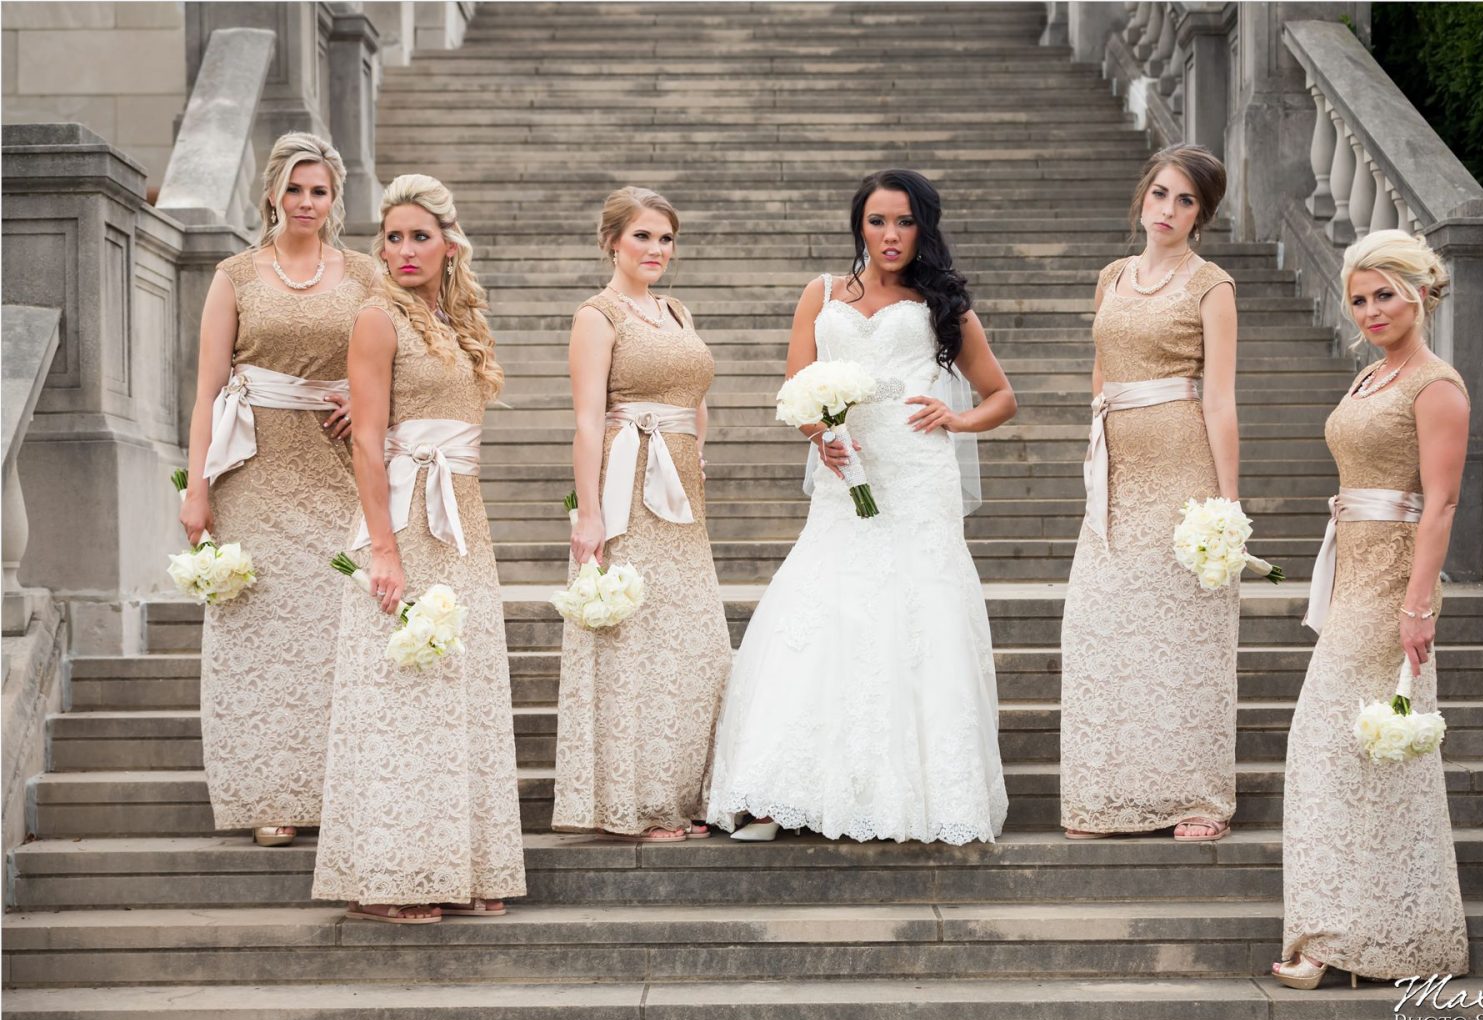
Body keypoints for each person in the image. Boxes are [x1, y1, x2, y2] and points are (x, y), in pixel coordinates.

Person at [705, 169, 1016, 845]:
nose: (891, 235)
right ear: (859, 226)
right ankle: (779, 792)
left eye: (904, 222)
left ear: (923, 228)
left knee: (916, 618)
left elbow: (1000, 396)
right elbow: (795, 391)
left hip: (917, 478)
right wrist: (822, 434)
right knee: (819, 611)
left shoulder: (944, 306)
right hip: (846, 480)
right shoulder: (821, 294)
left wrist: (954, 420)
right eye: (878, 221)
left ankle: (919, 792)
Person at [312, 174, 525, 924]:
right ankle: (393, 875)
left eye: (419, 237)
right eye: (393, 238)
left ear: (448, 244)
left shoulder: (459, 320)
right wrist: (384, 550)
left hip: (463, 524)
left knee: (455, 696)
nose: (404, 250)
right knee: (401, 701)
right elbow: (368, 442)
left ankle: (461, 864)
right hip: (401, 521)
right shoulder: (377, 319)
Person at [1274, 229, 1470, 988]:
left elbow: (1442, 502)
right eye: (1358, 299)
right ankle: (1343, 935)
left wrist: (1418, 604)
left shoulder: (1436, 385)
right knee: (1343, 754)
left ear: (1418, 291)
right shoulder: (1369, 379)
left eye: (1384, 293)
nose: (1371, 310)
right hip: (1351, 569)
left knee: (1336, 747)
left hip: (1392, 581)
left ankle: (1359, 939)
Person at [181, 132, 377, 847]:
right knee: (259, 637)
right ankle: (267, 795)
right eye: (294, 189)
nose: (305, 202)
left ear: (334, 198)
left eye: (318, 190)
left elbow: (407, 351)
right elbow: (204, 392)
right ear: (271, 193)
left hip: (336, 470)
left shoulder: (363, 274)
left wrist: (370, 397)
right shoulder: (235, 275)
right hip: (254, 471)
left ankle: (333, 787)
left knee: (335, 628)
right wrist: (196, 488)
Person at [1056, 145, 1243, 843]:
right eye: (1161, 193)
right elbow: (1101, 377)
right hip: (1117, 471)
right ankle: (1107, 795)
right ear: (1143, 196)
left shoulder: (1212, 286)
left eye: (1185, 200)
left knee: (1183, 634)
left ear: (1203, 214)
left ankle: (1195, 796)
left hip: (1181, 466)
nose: (1168, 210)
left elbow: (1220, 399)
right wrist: (1093, 457)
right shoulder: (1111, 277)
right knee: (1100, 628)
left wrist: (1226, 504)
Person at [553, 186, 732, 843]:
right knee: (640, 644)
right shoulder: (597, 317)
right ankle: (644, 802)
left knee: (694, 645)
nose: (656, 250)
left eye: (665, 238)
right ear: (612, 243)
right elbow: (585, 419)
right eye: (643, 238)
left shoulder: (676, 311)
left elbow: (695, 394)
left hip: (683, 495)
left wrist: (696, 454)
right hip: (627, 494)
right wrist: (589, 514)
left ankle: (689, 791)